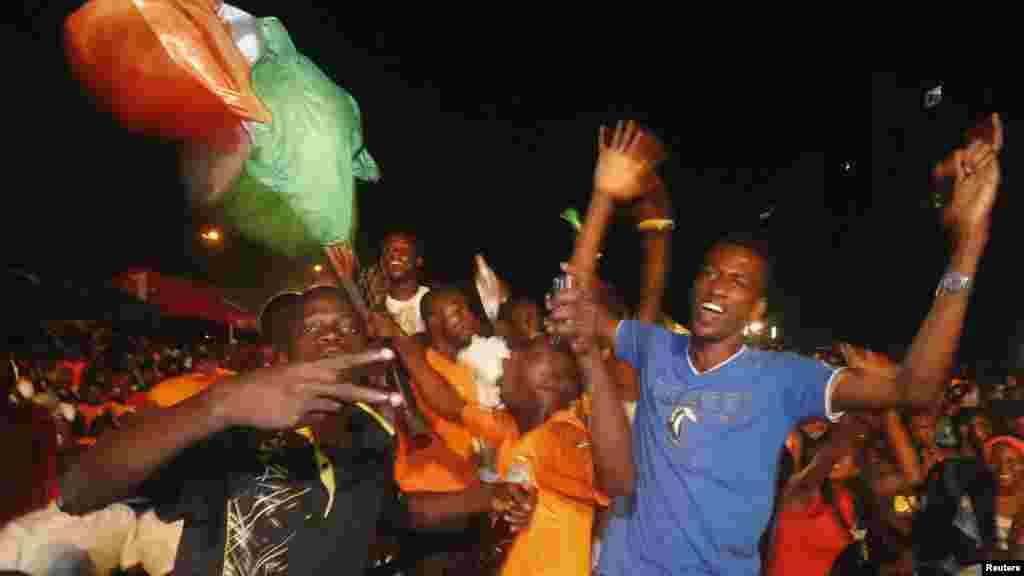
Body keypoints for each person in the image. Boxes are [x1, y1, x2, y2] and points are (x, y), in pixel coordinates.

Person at [547, 115, 1004, 574]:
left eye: (737, 280)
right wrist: (603, 195)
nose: (717, 286)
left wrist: (969, 242)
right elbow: (574, 313)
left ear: (757, 309)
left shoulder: (783, 377)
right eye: (710, 273)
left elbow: (915, 388)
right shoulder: (654, 347)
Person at [58, 285, 534, 576]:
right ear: (285, 355)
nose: (331, 332)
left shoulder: (372, 430)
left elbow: (386, 512)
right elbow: (80, 491)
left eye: (346, 325)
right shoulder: (231, 419)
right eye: (314, 326)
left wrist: (485, 497)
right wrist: (219, 406)